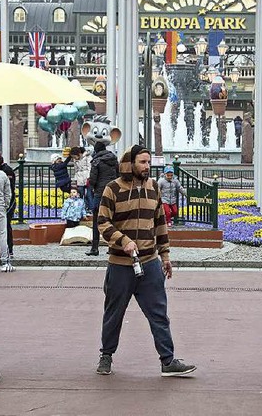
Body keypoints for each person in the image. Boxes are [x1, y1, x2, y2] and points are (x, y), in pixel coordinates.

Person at [95, 144, 196, 377]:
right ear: (129, 164)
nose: (147, 166)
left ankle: (168, 361)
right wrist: (122, 240)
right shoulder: (113, 189)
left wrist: (166, 256)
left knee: (159, 313)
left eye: (148, 162)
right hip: (120, 265)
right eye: (142, 162)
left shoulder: (153, 187)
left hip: (150, 263)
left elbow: (160, 223)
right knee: (114, 313)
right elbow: (102, 222)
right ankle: (106, 355)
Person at [86, 142, 119, 256]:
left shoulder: (97, 161)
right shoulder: (114, 159)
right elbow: (119, 176)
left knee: (97, 220)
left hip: (100, 193)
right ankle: (113, 247)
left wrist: (91, 188)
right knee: (113, 219)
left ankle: (94, 248)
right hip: (113, 192)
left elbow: (93, 180)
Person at [0, 151, 16, 262]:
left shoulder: (6, 171)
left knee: (5, 227)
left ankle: (8, 249)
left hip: (7, 203)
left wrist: (7, 204)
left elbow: (9, 190)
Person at [70, 147, 93, 213]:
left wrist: (88, 178)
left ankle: (91, 208)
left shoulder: (87, 157)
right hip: (80, 178)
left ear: (79, 154)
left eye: (74, 157)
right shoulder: (75, 160)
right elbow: (76, 170)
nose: (74, 158)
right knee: (80, 194)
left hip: (87, 177)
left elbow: (90, 168)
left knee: (89, 194)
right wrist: (76, 179)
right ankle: (81, 208)